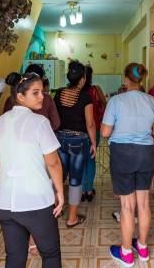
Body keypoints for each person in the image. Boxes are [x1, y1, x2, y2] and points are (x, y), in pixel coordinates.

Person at [0, 72, 64, 268]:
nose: (42, 96)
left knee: (15, 257)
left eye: (42, 92)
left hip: (4, 203)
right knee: (50, 254)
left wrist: (4, 171)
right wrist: (59, 191)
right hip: (35, 202)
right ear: (20, 96)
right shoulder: (40, 123)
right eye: (36, 93)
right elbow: (53, 163)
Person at [101, 63, 154, 267]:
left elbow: (105, 132)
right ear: (142, 79)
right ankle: (142, 248)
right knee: (143, 203)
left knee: (127, 206)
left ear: (126, 79)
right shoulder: (152, 101)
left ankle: (127, 253)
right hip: (145, 154)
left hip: (122, 154)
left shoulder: (116, 101)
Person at [54, 60, 97, 228]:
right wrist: (93, 143)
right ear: (83, 79)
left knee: (58, 176)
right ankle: (72, 218)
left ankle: (55, 209)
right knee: (75, 179)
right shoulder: (85, 96)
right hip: (79, 141)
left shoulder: (58, 93)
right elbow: (90, 123)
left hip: (59, 139)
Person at [3, 64, 60, 131]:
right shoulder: (47, 99)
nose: (41, 97)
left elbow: (6, 123)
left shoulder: (10, 99)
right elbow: (56, 123)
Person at [81, 65, 107, 202]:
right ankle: (89, 190)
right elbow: (105, 106)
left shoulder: (75, 91)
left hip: (78, 131)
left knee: (78, 160)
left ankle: (80, 191)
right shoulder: (96, 90)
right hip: (94, 129)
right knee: (91, 159)